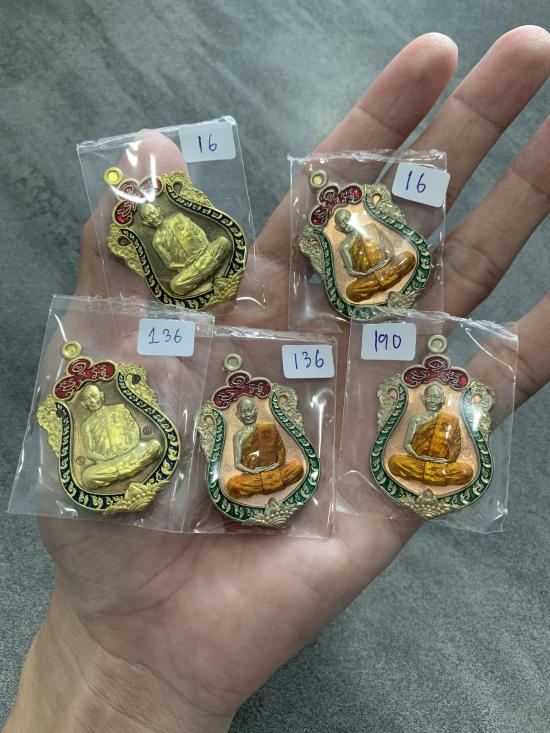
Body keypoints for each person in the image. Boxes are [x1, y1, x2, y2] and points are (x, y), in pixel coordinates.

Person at [5, 28, 550, 733]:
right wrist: (115, 658)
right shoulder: (148, 367)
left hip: (361, 352)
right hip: (173, 451)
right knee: (141, 437)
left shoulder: (374, 310)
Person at [79, 384, 163, 490]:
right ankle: (131, 468)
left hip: (131, 454)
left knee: (155, 445)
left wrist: (131, 447)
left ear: (101, 395)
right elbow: (90, 453)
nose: (92, 401)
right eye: (87, 399)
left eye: (94, 396)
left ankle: (121, 472)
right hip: (108, 464)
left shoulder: (119, 408)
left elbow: (133, 429)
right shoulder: (86, 425)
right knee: (87, 478)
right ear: (83, 404)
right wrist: (106, 458)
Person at [388, 384, 473, 486]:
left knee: (466, 471)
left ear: (443, 399)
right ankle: (437, 476)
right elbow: (407, 444)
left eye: (436, 397)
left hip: (441, 465)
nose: (432, 401)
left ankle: (424, 475)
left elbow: (456, 447)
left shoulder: (452, 420)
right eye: (429, 397)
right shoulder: (416, 419)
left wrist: (447, 461)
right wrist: (418, 456)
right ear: (423, 399)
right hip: (419, 462)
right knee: (394, 461)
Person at [140, 201, 231, 296]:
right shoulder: (157, 241)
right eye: (148, 217)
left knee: (223, 242)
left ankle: (204, 271)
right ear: (146, 223)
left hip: (204, 253)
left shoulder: (178, 217)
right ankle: (210, 267)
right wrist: (185, 264)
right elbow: (170, 264)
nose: (153, 217)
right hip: (191, 268)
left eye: (153, 212)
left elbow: (198, 231)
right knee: (175, 285)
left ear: (158, 210)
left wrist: (205, 248)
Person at [227, 397, 304, 498]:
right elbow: (237, 464)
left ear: (256, 410)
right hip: (254, 476)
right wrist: (252, 471)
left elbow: (281, 451)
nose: (248, 414)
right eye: (244, 412)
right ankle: (273, 483)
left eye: (250, 410)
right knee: (233, 485)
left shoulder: (269, 427)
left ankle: (261, 487)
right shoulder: (238, 437)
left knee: (297, 467)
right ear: (238, 415)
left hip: (274, 470)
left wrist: (276, 465)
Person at [336, 208, 415, 302]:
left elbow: (389, 249)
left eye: (347, 219)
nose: (346, 223)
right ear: (338, 227)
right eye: (341, 222)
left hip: (387, 266)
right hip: (370, 276)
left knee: (408, 257)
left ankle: (381, 283)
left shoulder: (371, 228)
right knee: (351, 292)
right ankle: (388, 279)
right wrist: (366, 273)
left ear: (352, 218)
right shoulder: (344, 246)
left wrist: (385, 262)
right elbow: (350, 271)